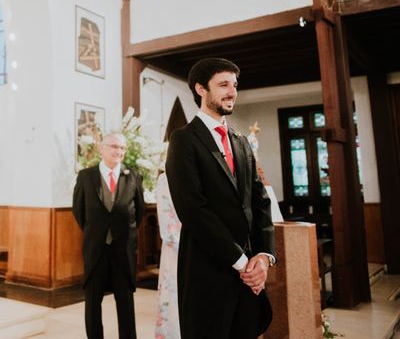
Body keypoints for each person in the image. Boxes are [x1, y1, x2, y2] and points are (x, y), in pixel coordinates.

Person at [165, 58, 276, 339]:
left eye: (235, 85)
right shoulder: (184, 140)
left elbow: (260, 201)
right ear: (201, 89)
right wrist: (240, 262)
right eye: (223, 84)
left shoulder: (241, 141)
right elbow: (192, 208)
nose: (232, 92)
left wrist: (262, 258)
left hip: (249, 272)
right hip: (208, 270)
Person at [72, 132, 145, 339]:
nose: (119, 151)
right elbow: (78, 211)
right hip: (96, 250)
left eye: (122, 148)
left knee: (125, 304)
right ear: (102, 149)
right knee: (93, 303)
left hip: (123, 251)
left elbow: (138, 213)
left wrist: (122, 233)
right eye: (114, 147)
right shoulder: (86, 176)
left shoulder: (133, 176)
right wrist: (97, 232)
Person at [155, 171, 181, 339]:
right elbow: (166, 222)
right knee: (174, 301)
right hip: (176, 249)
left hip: (204, 249)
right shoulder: (165, 178)